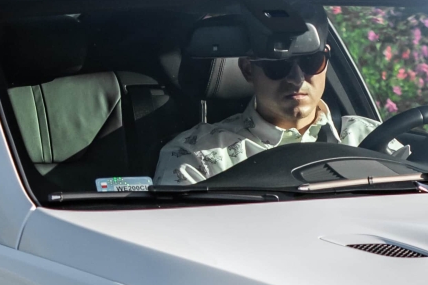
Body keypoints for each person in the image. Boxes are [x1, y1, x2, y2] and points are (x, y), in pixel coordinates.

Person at [154, 24, 380, 184]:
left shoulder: (369, 139)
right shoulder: (195, 156)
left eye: (311, 61)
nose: (297, 78)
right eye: (278, 65)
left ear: (326, 60)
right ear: (248, 69)